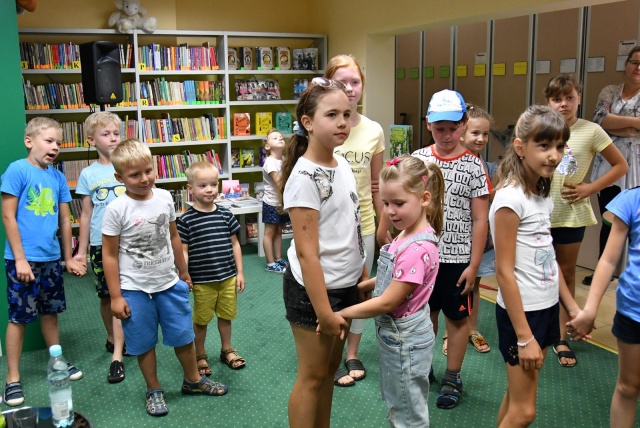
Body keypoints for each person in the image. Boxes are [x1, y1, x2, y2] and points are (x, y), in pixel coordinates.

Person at [102, 139, 228, 417]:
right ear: (119, 178)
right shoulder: (116, 209)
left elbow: (173, 236)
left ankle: (193, 380)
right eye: (135, 175)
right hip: (134, 289)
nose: (144, 179)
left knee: (183, 335)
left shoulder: (164, 198)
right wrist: (115, 296)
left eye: (148, 171)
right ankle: (153, 388)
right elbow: (109, 255)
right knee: (143, 342)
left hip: (169, 284)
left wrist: (183, 272)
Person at [386, 89, 490, 409]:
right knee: (423, 315)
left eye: (453, 128)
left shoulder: (474, 166)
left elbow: (480, 219)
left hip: (458, 260)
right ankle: (425, 367)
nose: (446, 135)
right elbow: (405, 205)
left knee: (457, 319)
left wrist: (474, 265)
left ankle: (453, 376)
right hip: (421, 256)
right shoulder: (418, 160)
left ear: (464, 124)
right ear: (428, 124)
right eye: (439, 128)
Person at [330, 156, 444, 427]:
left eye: (399, 203)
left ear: (424, 198)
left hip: (405, 338)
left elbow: (388, 302)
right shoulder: (405, 232)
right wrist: (365, 285)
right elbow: (396, 277)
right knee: (399, 399)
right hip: (397, 336)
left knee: (408, 412)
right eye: (386, 203)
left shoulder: (417, 248)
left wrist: (343, 313)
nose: (390, 211)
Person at [280, 77, 366, 427]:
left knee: (329, 371)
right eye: (331, 115)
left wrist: (360, 272)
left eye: (346, 114)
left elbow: (351, 225)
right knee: (312, 377)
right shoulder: (304, 177)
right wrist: (324, 312)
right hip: (315, 292)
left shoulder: (340, 163)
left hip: (345, 284)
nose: (342, 122)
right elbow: (307, 255)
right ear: (308, 122)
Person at [490, 106, 583, 427]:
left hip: (544, 308)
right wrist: (524, 337)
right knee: (524, 412)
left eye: (559, 146)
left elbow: (548, 261)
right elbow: (504, 272)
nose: (554, 155)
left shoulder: (541, 196)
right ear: (520, 147)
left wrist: (572, 307)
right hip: (522, 314)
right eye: (544, 145)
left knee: (515, 400)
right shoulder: (510, 199)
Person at [1, 117, 87, 407]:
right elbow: (8, 216)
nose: (55, 147)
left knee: (50, 313)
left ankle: (57, 360)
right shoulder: (17, 170)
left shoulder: (57, 177)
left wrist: (67, 258)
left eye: (58, 143)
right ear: (29, 141)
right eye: (49, 141)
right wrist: (21, 260)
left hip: (51, 259)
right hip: (22, 260)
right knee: (19, 317)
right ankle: (12, 378)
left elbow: (64, 219)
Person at [544, 74, 628, 367]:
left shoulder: (592, 130)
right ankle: (532, 326)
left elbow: (620, 165)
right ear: (548, 102)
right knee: (534, 273)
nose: (563, 104)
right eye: (557, 99)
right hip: (537, 213)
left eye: (569, 98)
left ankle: (560, 336)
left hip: (570, 214)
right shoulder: (541, 127)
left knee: (565, 274)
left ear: (579, 98)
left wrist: (591, 188)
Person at [325, 54, 385, 386]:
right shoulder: (323, 126)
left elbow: (376, 184)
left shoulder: (373, 130)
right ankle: (331, 352)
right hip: (329, 227)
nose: (349, 88)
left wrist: (384, 225)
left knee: (361, 290)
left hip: (364, 225)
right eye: (341, 82)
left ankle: (352, 352)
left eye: (355, 82)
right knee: (332, 290)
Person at [568, 187, 640, 428]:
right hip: (633, 309)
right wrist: (590, 309)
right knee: (628, 387)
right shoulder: (632, 199)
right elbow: (608, 260)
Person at [73, 112, 130, 384]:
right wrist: (81, 251)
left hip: (127, 240)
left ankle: (124, 340)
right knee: (107, 295)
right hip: (100, 242)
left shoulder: (128, 164)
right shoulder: (88, 174)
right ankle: (112, 337)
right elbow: (86, 214)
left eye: (116, 133)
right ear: (91, 140)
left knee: (127, 291)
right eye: (106, 134)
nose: (112, 138)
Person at [177, 161, 246, 373]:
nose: (210, 190)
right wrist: (184, 274)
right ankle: (200, 354)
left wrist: (240, 272)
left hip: (227, 277)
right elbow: (184, 250)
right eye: (203, 185)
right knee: (201, 320)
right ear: (190, 188)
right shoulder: (186, 219)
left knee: (226, 316)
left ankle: (227, 349)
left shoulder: (226, 214)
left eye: (214, 184)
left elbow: (235, 244)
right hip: (202, 281)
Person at [585, 46, 640, 286]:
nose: (638, 68)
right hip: (608, 166)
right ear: (626, 64)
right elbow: (599, 119)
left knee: (635, 225)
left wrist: (614, 124)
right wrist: (634, 124)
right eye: (634, 62)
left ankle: (633, 276)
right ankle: (603, 272)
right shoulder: (609, 91)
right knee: (609, 221)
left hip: (636, 168)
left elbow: (608, 123)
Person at [457, 104, 497, 355]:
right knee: (454, 286)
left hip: (480, 237)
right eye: (475, 133)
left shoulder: (488, 167)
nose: (481, 138)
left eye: (485, 134)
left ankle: (471, 329)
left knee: (474, 284)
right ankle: (453, 332)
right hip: (456, 237)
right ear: (461, 133)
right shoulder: (452, 161)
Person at [261, 128, 290, 273]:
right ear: (267, 146)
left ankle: (278, 258)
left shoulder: (283, 160)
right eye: (275, 138)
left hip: (281, 201)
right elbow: (279, 182)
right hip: (272, 202)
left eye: (281, 137)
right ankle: (270, 263)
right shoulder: (270, 162)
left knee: (279, 230)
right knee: (269, 232)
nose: (280, 138)